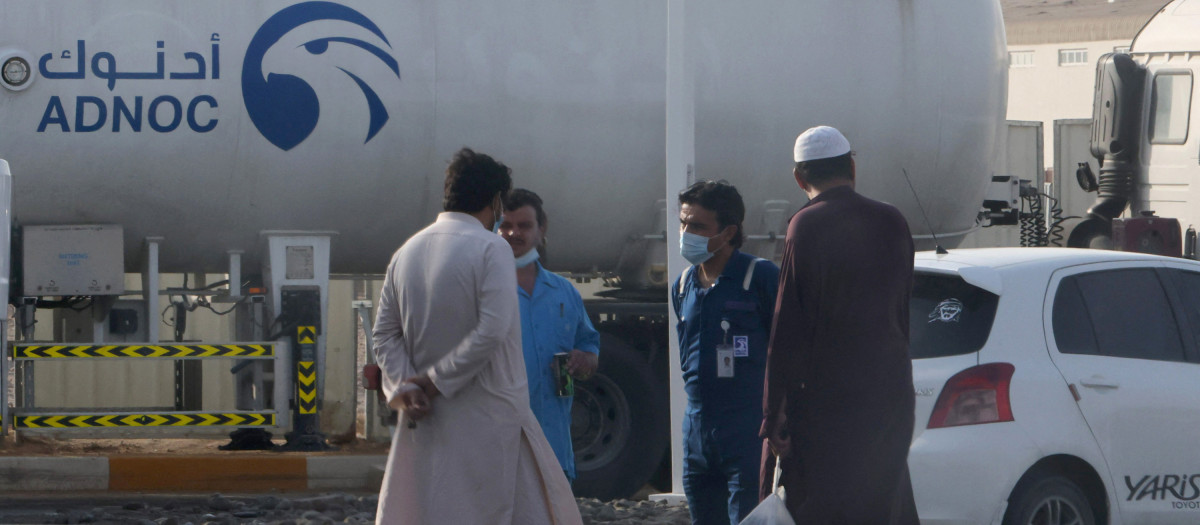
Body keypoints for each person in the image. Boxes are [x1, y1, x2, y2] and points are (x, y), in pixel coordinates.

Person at [372, 148, 583, 525]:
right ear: (496, 201)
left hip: (426, 418)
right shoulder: (491, 248)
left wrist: (405, 385)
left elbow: (384, 334)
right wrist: (434, 382)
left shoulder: (407, 251)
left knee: (429, 508)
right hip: (488, 416)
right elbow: (492, 329)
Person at [760, 126, 919, 523]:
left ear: (799, 178)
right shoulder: (892, 220)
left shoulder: (805, 225)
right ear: (852, 167)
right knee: (883, 501)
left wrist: (774, 410)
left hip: (825, 402)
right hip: (889, 393)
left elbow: (788, 325)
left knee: (824, 506)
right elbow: (902, 310)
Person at [670, 180, 779, 525]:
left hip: (745, 428)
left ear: (729, 231)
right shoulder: (684, 284)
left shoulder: (758, 277)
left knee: (747, 518)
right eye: (684, 223)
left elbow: (789, 349)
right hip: (697, 431)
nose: (687, 233)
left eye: (698, 226)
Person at [498, 188, 600, 484]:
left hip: (553, 448)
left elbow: (589, 346)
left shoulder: (564, 292)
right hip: (501, 449)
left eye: (524, 226)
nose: (513, 233)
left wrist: (585, 360)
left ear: (542, 229)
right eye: (505, 225)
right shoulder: (483, 290)